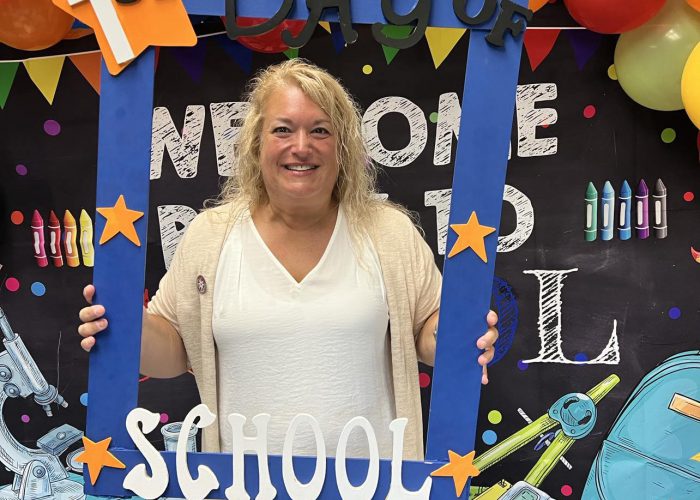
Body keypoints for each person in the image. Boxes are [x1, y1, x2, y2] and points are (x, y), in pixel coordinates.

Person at [78, 59, 498, 460]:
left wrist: (459, 335)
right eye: (283, 129)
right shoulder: (210, 236)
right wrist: (120, 327)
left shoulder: (389, 233)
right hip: (241, 487)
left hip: (375, 487)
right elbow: (172, 351)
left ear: (343, 147)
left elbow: (427, 337)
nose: (301, 147)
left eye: (320, 130)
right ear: (257, 144)